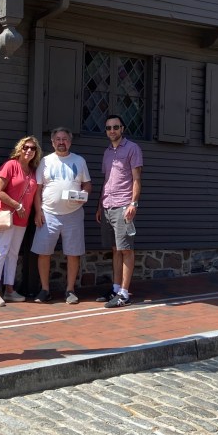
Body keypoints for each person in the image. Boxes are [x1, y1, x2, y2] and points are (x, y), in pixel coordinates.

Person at [32, 127, 92, 304]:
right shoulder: (45, 161)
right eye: (58, 139)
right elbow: (37, 189)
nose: (61, 142)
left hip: (74, 214)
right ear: (52, 142)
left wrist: (84, 194)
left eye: (64, 139)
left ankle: (70, 290)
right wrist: (38, 211)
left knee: (73, 253)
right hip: (48, 214)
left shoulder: (79, 161)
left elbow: (87, 184)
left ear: (70, 142)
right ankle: (45, 290)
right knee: (43, 252)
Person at [0, 136, 42, 306]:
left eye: (32, 148)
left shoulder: (32, 171)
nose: (29, 151)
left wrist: (37, 212)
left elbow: (35, 195)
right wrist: (16, 205)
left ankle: (9, 290)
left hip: (22, 218)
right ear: (20, 148)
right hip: (6, 215)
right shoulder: (10, 165)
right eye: (26, 147)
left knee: (13, 253)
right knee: (1, 250)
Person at [96, 114, 143, 308]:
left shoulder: (132, 148)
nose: (112, 131)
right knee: (115, 249)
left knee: (126, 249)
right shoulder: (107, 152)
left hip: (124, 205)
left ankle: (124, 294)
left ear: (122, 129)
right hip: (107, 206)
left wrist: (133, 204)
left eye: (116, 127)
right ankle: (116, 289)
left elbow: (137, 179)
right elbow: (106, 181)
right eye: (108, 128)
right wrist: (100, 206)